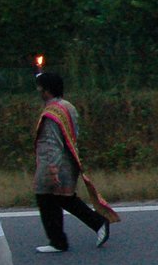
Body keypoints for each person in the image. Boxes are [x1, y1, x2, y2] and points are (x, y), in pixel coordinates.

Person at [32, 70, 116, 253]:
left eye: (40, 89)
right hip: (70, 160)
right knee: (64, 199)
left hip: (55, 164)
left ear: (46, 91)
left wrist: (52, 170)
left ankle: (59, 240)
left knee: (47, 198)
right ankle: (94, 225)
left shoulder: (51, 113)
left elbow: (51, 143)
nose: (39, 92)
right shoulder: (67, 107)